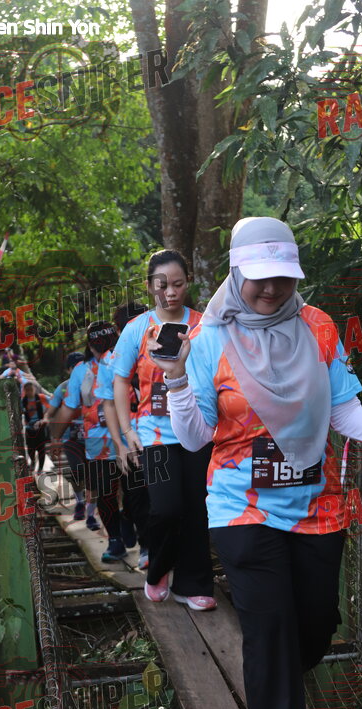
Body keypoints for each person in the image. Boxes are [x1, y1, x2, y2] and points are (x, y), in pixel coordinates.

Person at [148, 217, 362, 709]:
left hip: (318, 507)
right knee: (269, 639)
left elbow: (346, 415)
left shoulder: (317, 327)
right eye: (259, 277)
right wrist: (176, 381)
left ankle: (278, 682)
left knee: (312, 629)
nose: (271, 289)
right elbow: (194, 437)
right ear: (236, 271)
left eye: (283, 277)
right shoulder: (208, 339)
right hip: (242, 509)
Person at [113, 250, 216, 611]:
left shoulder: (204, 326)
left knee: (197, 509)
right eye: (162, 285)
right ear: (149, 286)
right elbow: (120, 381)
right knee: (167, 508)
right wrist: (127, 432)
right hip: (155, 434)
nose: (170, 292)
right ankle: (157, 571)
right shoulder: (136, 329)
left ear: (188, 283)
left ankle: (194, 584)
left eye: (178, 284)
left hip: (199, 430)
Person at [50, 321, 127, 562]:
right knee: (106, 493)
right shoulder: (81, 371)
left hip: (131, 439)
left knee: (133, 492)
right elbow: (69, 405)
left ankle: (137, 537)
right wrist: (55, 436)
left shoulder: (129, 359)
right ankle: (116, 540)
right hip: (98, 444)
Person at [95, 302, 151, 570]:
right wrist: (119, 443)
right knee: (136, 492)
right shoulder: (110, 360)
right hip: (131, 437)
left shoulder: (162, 347)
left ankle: (139, 528)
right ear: (119, 331)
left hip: (163, 434)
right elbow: (108, 403)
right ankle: (147, 545)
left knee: (159, 494)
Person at [47, 352, 99, 526]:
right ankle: (79, 502)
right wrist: (54, 438)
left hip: (94, 437)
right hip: (71, 438)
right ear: (69, 370)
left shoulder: (97, 383)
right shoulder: (62, 388)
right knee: (77, 471)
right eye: (74, 367)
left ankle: (91, 514)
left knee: (93, 476)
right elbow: (52, 412)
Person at [21, 382, 50, 475]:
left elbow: (52, 405)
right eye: (27, 390)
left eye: (31, 390)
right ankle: (32, 462)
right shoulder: (23, 401)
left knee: (41, 448)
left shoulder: (42, 398)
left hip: (40, 425)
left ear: (34, 389)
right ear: (25, 391)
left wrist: (45, 418)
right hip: (29, 427)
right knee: (30, 448)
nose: (29, 392)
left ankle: (40, 468)